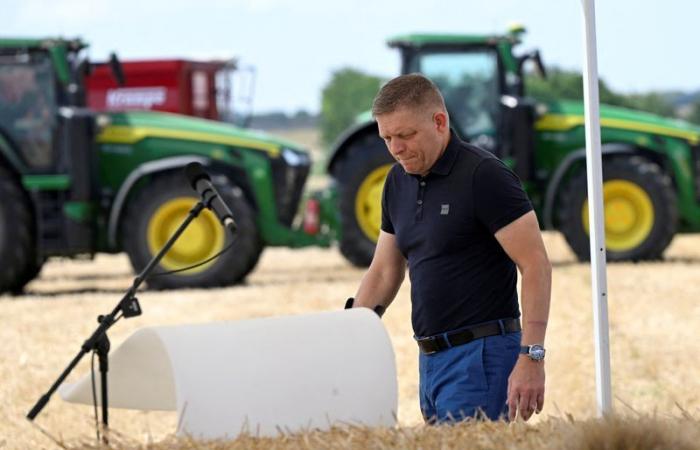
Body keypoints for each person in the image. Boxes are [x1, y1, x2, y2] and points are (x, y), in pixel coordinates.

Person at [350, 73, 551, 423]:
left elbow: (535, 265)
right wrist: (347, 331)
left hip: (481, 358)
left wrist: (532, 357)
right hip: (429, 361)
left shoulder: (484, 176)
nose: (396, 148)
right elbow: (384, 270)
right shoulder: (396, 182)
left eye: (406, 135)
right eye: (387, 138)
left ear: (439, 122)